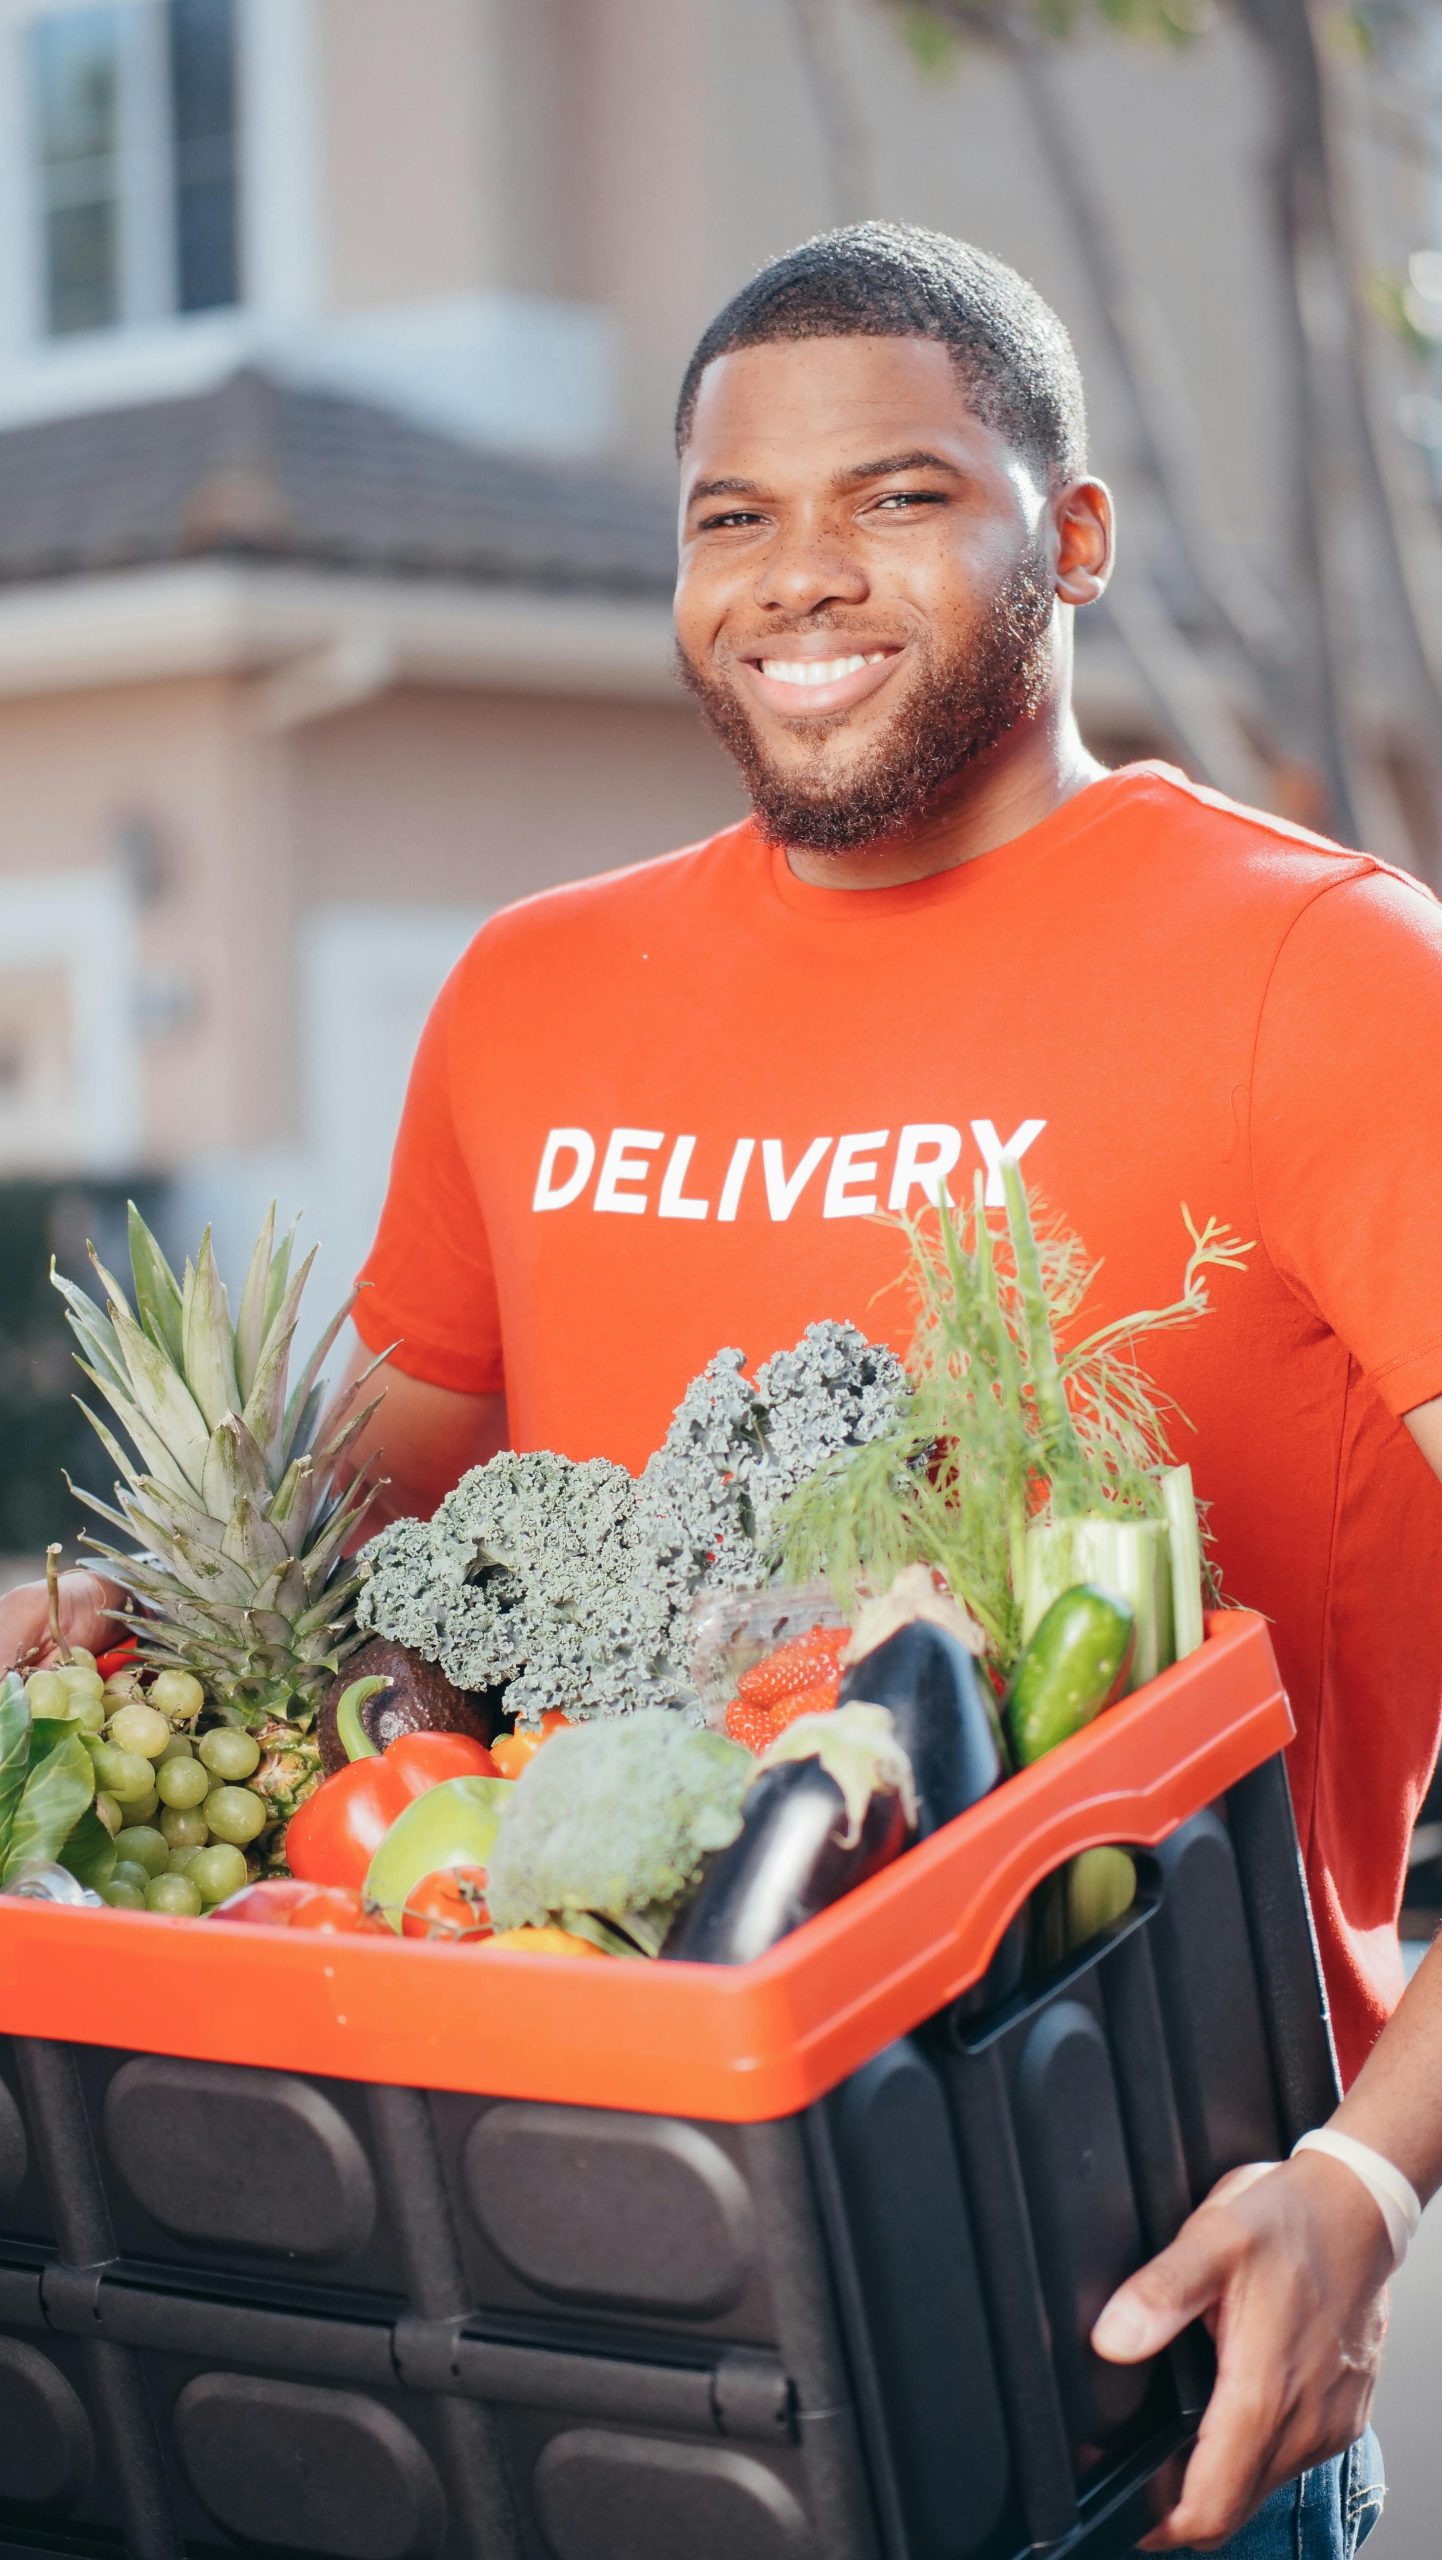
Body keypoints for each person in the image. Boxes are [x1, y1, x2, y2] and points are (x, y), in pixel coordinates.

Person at [5, 223, 1440, 2555]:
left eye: (895, 496)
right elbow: (336, 1545)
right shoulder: (530, 993)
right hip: (534, 2292)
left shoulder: (1327, 973)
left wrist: (1365, 2179)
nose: (799, 579)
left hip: (1102, 2350)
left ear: (1068, 534)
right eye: (731, 516)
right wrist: (88, 1625)